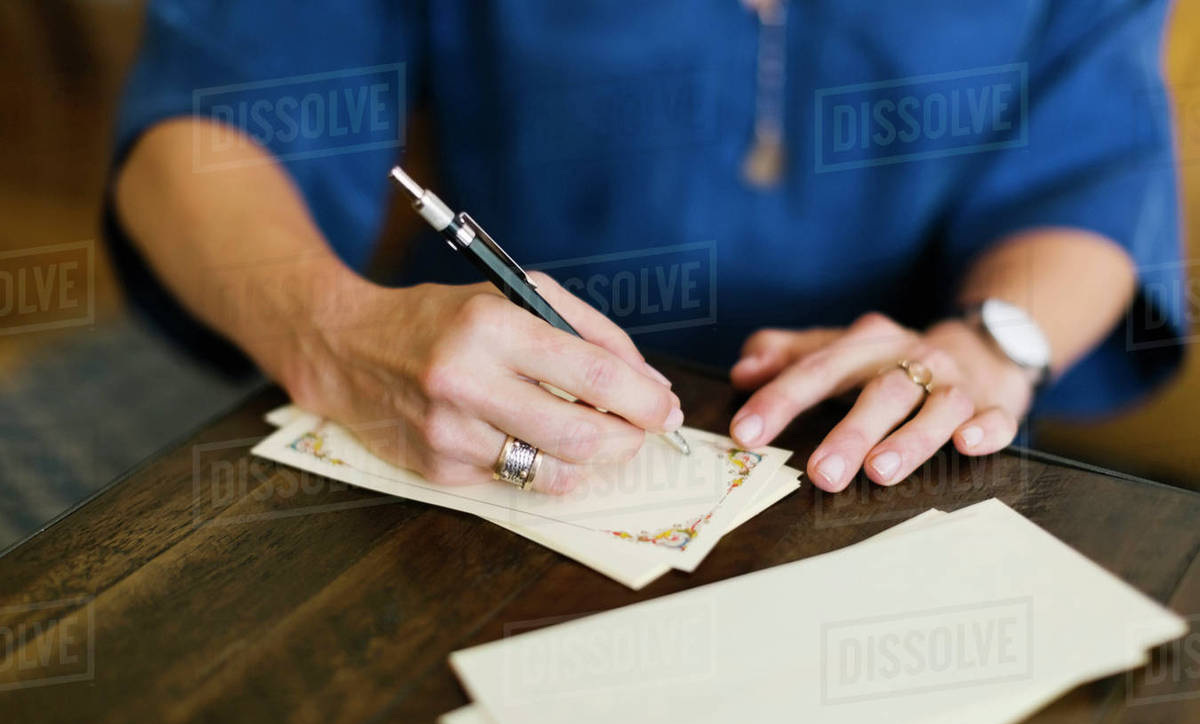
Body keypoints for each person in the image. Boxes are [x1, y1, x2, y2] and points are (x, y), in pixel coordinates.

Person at [108, 0, 1186, 494]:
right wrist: (329, 328)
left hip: (885, 450)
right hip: (477, 422)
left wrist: (992, 344)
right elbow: (216, 116)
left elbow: (1096, 162)